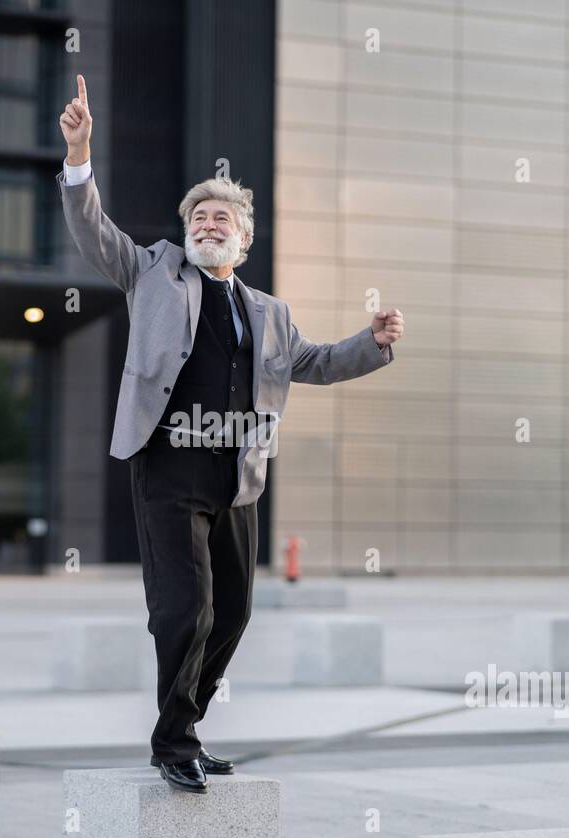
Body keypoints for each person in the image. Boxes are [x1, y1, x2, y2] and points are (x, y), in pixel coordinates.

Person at [57, 75, 404, 793]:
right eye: (201, 216)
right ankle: (174, 739)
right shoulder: (152, 270)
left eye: (223, 219)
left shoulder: (269, 312)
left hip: (238, 474)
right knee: (185, 606)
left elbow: (317, 364)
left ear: (243, 242)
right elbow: (94, 228)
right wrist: (81, 153)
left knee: (235, 611)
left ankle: (187, 723)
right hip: (167, 466)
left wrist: (369, 343)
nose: (209, 224)